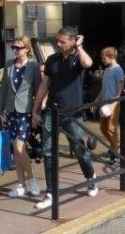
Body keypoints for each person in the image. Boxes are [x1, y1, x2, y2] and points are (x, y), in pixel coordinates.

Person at [31, 27, 97, 209]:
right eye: (57, 41)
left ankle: (90, 177)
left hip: (73, 112)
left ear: (73, 41)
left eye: (62, 42)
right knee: (47, 151)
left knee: (78, 148)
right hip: (52, 111)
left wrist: (80, 47)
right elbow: (44, 85)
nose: (58, 44)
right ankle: (51, 192)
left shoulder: (77, 59)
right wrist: (35, 110)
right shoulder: (52, 60)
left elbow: (88, 63)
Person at [0, 36, 41, 199]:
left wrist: (37, 112)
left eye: (18, 47)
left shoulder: (34, 66)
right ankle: (21, 184)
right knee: (15, 148)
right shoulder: (9, 65)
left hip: (26, 111)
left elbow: (38, 91)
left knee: (20, 147)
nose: (15, 50)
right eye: (13, 47)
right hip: (11, 110)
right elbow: (3, 91)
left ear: (27, 49)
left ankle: (32, 180)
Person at [94, 47, 125, 168]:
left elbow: (120, 89)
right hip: (104, 103)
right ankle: (114, 146)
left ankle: (115, 155)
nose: (102, 60)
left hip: (113, 104)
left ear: (111, 57)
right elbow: (103, 87)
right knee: (103, 129)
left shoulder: (118, 70)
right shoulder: (107, 70)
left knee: (111, 129)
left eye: (104, 58)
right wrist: (97, 100)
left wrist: (113, 104)